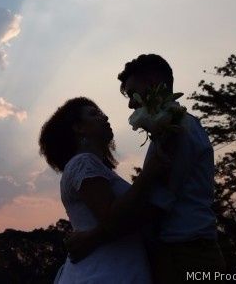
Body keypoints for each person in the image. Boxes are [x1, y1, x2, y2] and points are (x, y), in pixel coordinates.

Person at [67, 54, 225, 284]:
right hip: (184, 251)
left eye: (133, 93)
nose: (131, 103)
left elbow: (157, 204)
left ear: (153, 84)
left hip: (185, 254)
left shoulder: (176, 128)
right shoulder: (175, 126)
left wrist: (93, 238)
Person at [39, 97, 167, 283]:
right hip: (105, 272)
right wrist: (147, 175)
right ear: (78, 128)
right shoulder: (83, 163)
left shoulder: (92, 166)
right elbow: (112, 219)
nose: (105, 117)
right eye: (94, 114)